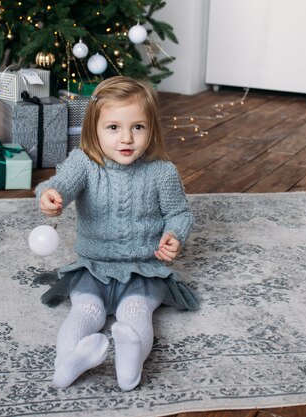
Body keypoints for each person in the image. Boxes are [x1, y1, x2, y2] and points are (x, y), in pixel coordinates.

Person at [35, 76, 198, 391]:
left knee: (135, 313)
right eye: (113, 128)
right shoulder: (85, 162)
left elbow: (179, 213)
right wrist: (51, 196)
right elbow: (60, 185)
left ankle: (130, 364)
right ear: (93, 129)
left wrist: (174, 235)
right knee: (86, 310)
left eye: (138, 127)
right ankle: (68, 361)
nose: (127, 138)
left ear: (151, 129)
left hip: (143, 268)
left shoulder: (162, 171)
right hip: (93, 267)